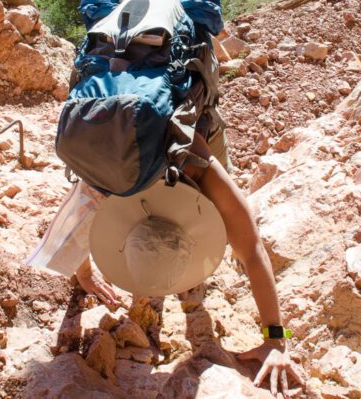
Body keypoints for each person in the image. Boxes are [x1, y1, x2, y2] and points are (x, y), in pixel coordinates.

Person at [73, 129, 305, 397]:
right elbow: (73, 219)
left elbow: (252, 250)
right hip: (120, 137)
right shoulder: (104, 176)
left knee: (223, 185)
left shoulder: (201, 167)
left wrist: (277, 339)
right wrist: (84, 272)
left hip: (194, 130)